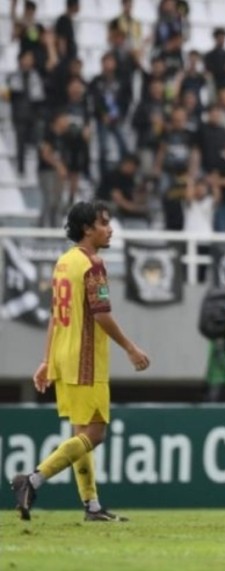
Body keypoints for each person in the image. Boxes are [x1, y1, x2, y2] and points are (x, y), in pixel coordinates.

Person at [13, 201, 150, 522]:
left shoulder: (63, 262)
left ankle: (91, 506)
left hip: (63, 356)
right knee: (95, 433)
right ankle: (32, 480)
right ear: (88, 228)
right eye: (104, 223)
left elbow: (54, 316)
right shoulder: (92, 264)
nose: (110, 228)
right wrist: (130, 348)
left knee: (79, 433)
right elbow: (101, 315)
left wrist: (47, 360)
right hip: (86, 359)